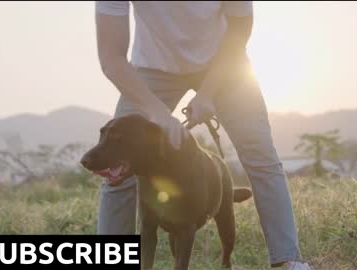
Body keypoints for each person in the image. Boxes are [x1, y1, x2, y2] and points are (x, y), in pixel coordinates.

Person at [94, 2, 310, 269]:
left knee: (260, 155)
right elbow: (111, 58)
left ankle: (288, 259)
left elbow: (239, 29)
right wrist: (157, 113)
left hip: (224, 64)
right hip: (152, 69)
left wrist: (208, 93)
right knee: (119, 160)